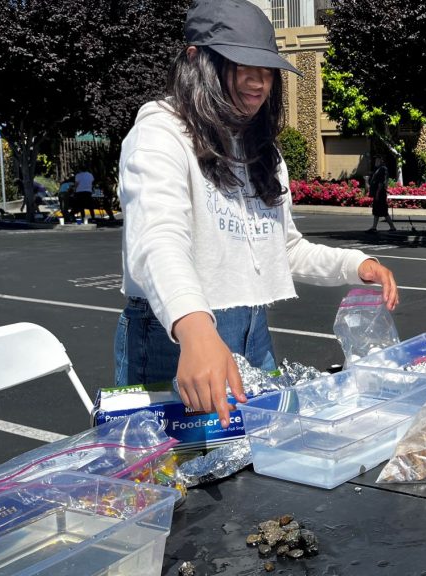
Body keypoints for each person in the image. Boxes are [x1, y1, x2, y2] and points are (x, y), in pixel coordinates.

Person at [115, 0, 399, 429]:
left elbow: (282, 248)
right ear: (196, 59)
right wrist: (194, 328)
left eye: (266, 69)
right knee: (173, 473)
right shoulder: (160, 131)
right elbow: (157, 239)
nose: (258, 81)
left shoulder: (260, 150)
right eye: (241, 63)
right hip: (175, 336)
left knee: (254, 468)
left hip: (253, 332)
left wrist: (357, 265)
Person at [366, 156, 396, 233]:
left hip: (380, 193)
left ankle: (392, 227)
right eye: (375, 160)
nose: (375, 162)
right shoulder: (379, 169)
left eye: (377, 160)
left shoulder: (382, 169)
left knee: (383, 210)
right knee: (377, 210)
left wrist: (377, 193)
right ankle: (374, 227)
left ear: (381, 161)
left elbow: (381, 183)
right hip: (378, 193)